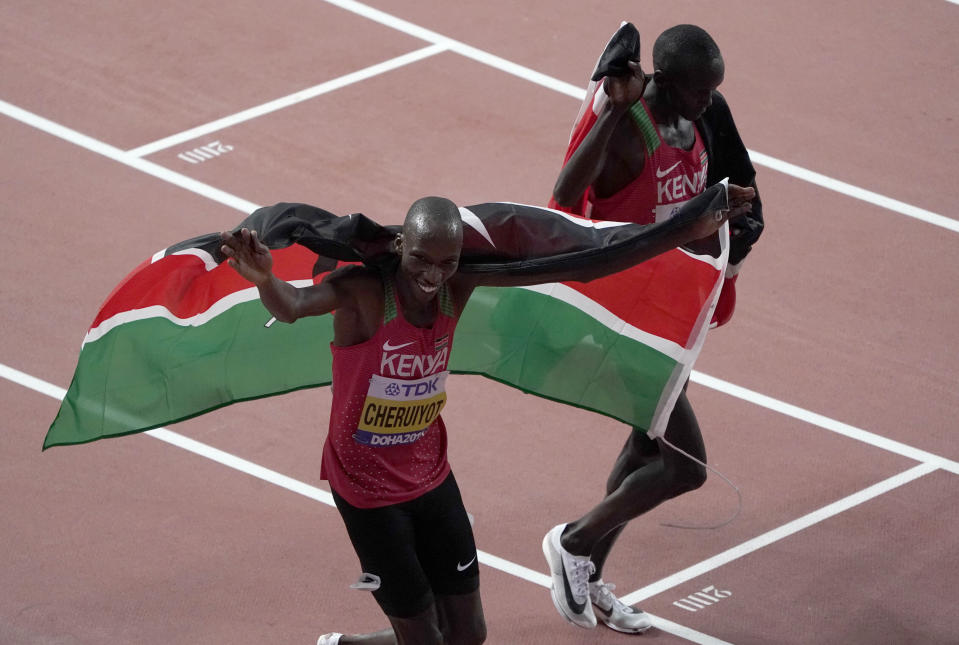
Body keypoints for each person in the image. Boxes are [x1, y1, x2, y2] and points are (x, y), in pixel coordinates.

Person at [220, 193, 752, 645]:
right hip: (366, 492)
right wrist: (265, 278)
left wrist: (683, 230)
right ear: (402, 246)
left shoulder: (459, 285)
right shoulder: (361, 294)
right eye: (423, 260)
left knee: (468, 636)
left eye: (447, 262)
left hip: (430, 477)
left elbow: (574, 264)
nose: (433, 276)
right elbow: (291, 305)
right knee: (425, 637)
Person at [543, 24, 765, 633]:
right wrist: (612, 114)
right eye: (698, 91)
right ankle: (573, 541)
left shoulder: (695, 123)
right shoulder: (631, 132)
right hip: (623, 317)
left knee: (644, 446)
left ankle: (587, 576)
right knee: (685, 465)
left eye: (714, 90)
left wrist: (722, 202)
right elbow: (564, 192)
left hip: (666, 312)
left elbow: (677, 209)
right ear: (665, 81)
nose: (709, 101)